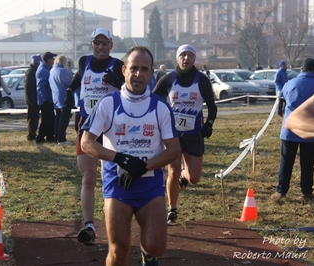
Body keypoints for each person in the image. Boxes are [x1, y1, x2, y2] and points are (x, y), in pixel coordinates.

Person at [81, 46, 180, 266]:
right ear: (124, 70)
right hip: (118, 186)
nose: (138, 74)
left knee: (156, 246)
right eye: (134, 68)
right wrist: (120, 159)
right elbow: (86, 143)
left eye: (144, 69)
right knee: (118, 250)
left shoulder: (160, 107)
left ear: (152, 73)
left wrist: (144, 166)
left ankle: (148, 255)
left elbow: (174, 150)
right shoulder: (108, 103)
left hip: (150, 186)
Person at [65, 27, 124, 246]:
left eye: (105, 43)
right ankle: (89, 225)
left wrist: (117, 82)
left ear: (111, 45)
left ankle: (116, 221)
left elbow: (130, 89)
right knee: (88, 177)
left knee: (111, 178)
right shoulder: (84, 61)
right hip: (87, 127)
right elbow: (81, 76)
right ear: (92, 44)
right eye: (97, 43)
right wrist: (70, 90)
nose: (100, 47)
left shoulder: (118, 65)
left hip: (111, 128)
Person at [152, 44, 218, 225]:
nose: (186, 59)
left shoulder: (202, 80)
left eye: (190, 55)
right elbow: (152, 100)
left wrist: (209, 125)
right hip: (172, 135)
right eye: (183, 55)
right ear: (177, 58)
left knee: (194, 178)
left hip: (194, 133)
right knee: (171, 172)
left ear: (194, 59)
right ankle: (172, 209)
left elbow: (212, 107)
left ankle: (184, 175)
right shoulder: (168, 79)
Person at [271, 58, 314, 201]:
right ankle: (307, 192)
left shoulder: (290, 83)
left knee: (286, 161)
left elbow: (282, 95)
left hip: (289, 130)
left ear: (301, 69)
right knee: (308, 163)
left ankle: (281, 191)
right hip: (309, 130)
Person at [50, 55, 73, 144]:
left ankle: (56, 137)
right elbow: (70, 82)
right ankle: (61, 139)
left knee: (58, 119)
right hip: (63, 97)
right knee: (64, 119)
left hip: (55, 97)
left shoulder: (52, 71)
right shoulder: (63, 71)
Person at [36, 51, 57, 143]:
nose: (53, 61)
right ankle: (40, 137)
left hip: (48, 98)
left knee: (51, 118)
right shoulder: (42, 70)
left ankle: (49, 136)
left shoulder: (46, 69)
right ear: (48, 60)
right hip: (45, 99)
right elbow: (41, 86)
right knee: (46, 119)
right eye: (52, 59)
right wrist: (45, 99)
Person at [25, 54, 42, 141]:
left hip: (35, 98)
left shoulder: (33, 70)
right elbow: (28, 87)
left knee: (35, 117)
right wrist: (31, 99)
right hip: (32, 99)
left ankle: (32, 133)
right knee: (32, 117)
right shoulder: (31, 71)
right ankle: (31, 134)